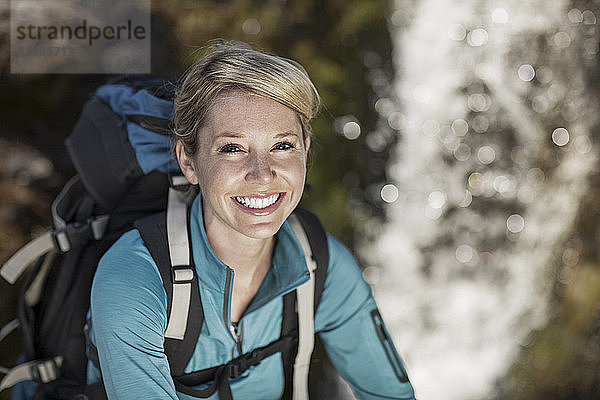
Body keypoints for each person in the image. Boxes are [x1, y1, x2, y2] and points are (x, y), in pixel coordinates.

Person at [86, 42, 416, 400]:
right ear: (189, 162)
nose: (262, 175)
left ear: (305, 149)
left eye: (282, 146)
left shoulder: (322, 264)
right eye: (233, 148)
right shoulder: (133, 276)